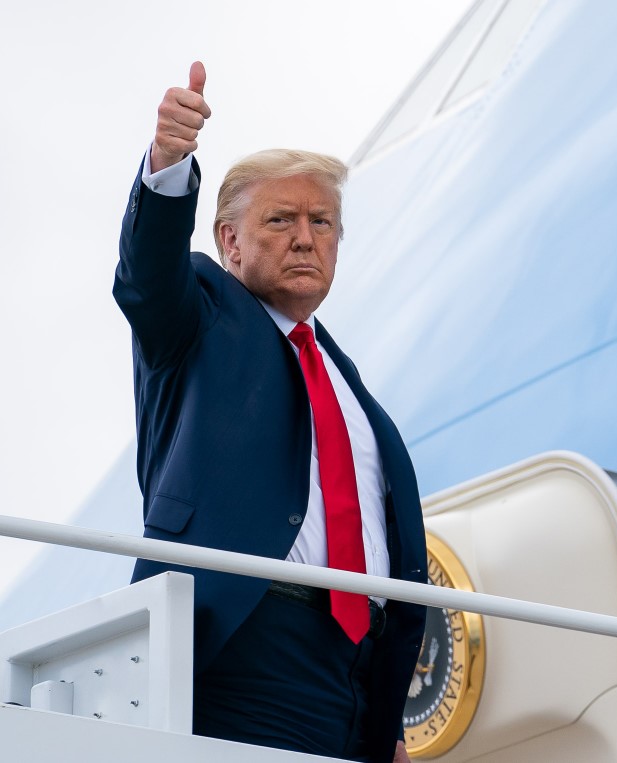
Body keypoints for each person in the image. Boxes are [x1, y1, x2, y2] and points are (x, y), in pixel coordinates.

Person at [113, 61, 425, 763]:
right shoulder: (201, 316)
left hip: (355, 676)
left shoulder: (351, 387)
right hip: (243, 645)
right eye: (280, 220)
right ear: (229, 241)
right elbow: (147, 277)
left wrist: (386, 716)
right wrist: (167, 165)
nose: (306, 237)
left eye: (322, 222)